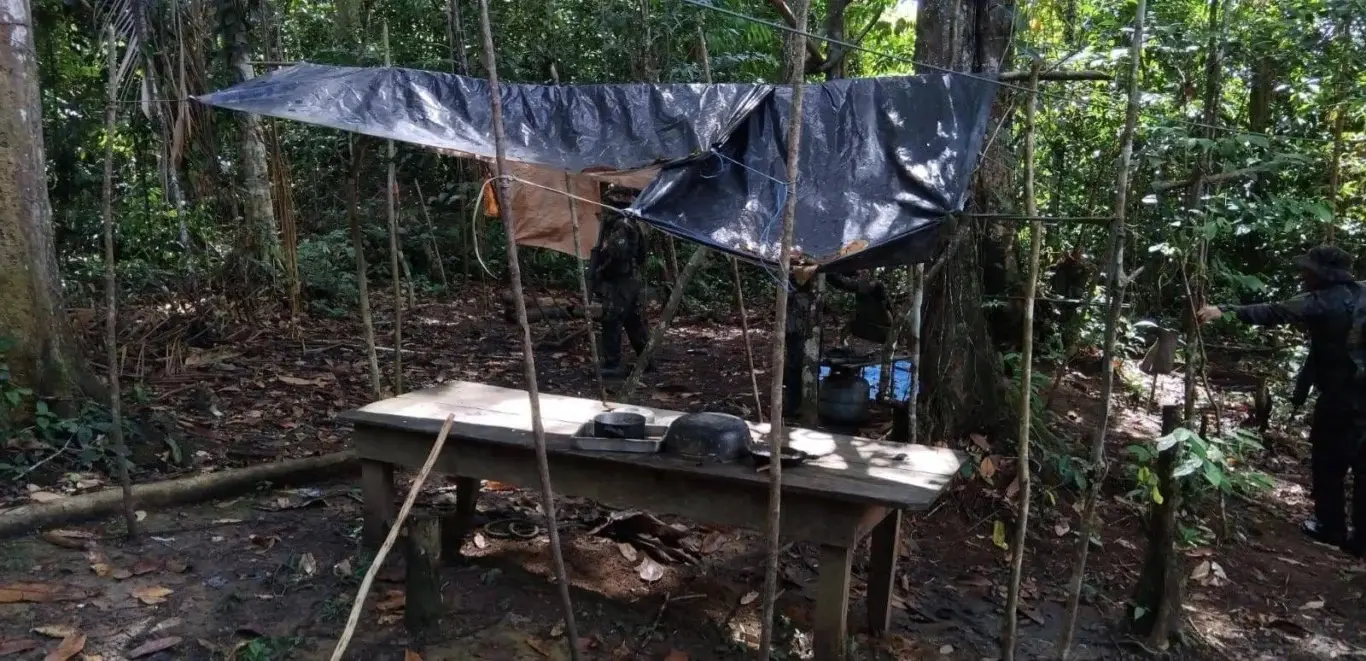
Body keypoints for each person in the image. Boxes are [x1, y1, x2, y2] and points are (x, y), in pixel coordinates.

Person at [1197, 245, 1365, 555]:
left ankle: (1331, 527)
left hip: (1341, 399)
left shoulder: (1321, 302)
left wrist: (1224, 310)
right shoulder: (1360, 293)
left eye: (1309, 270)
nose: (1304, 275)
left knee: (1328, 460)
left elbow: (1274, 311)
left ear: (1324, 274)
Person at [783, 270, 890, 417]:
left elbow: (824, 289)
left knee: (808, 364)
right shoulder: (798, 277)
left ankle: (804, 401)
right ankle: (795, 406)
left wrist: (828, 310)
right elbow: (839, 282)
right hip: (798, 326)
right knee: (797, 365)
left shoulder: (811, 283)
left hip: (806, 325)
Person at [589, 188, 651, 378]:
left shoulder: (622, 225)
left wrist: (600, 270)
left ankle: (613, 364)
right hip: (629, 280)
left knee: (612, 320)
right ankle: (646, 361)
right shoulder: (632, 223)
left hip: (620, 281)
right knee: (633, 321)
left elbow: (616, 254)